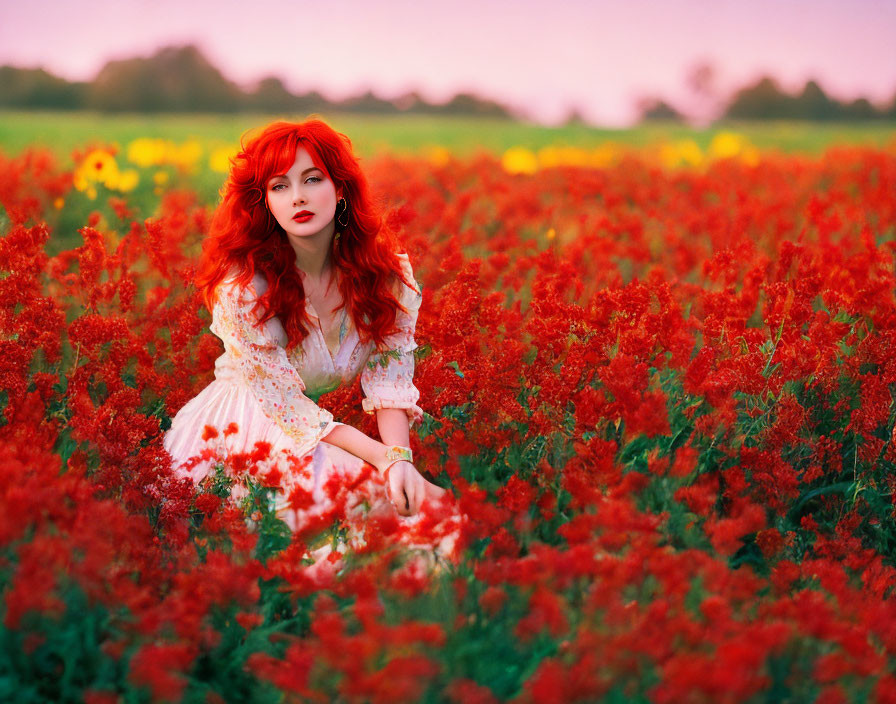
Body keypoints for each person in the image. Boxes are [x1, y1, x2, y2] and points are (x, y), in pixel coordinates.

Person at [163, 118, 463, 570]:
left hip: (315, 430)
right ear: (265, 203)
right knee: (338, 534)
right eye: (279, 186)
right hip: (241, 429)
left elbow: (389, 381)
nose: (298, 196)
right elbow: (286, 407)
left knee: (440, 515)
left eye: (312, 179)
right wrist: (382, 458)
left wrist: (400, 459)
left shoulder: (386, 279)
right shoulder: (245, 289)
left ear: (340, 189)